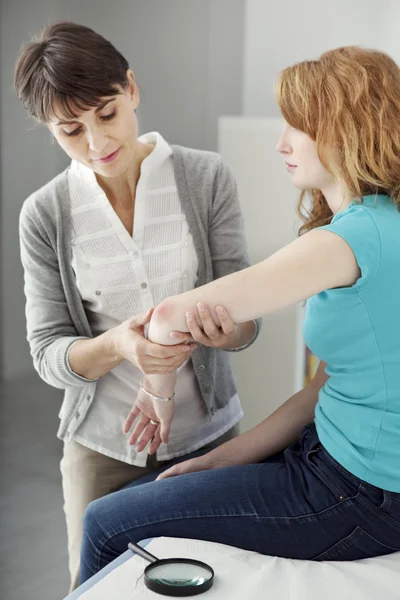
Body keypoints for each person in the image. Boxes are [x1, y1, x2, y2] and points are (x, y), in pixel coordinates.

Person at [78, 46, 400, 583]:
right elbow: (324, 388)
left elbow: (167, 318)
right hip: (338, 462)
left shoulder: (352, 239)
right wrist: (224, 457)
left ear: (345, 129)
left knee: (105, 521)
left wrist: (156, 390)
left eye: (296, 128)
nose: (281, 145)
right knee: (138, 496)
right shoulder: (379, 223)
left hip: (357, 495)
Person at [15, 22, 260, 591]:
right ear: (50, 131)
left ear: (132, 88)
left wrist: (222, 330)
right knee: (96, 586)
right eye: (71, 130)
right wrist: (120, 346)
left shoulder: (205, 178)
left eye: (107, 112)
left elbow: (248, 322)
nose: (98, 142)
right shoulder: (45, 214)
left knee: (224, 582)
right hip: (102, 449)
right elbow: (49, 353)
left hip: (210, 439)